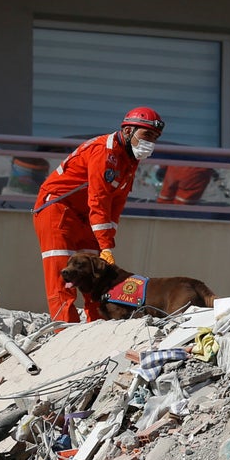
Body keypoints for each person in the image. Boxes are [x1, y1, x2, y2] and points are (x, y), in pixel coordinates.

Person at [32, 106, 165, 323]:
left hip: (86, 216)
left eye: (155, 138)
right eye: (147, 135)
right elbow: (99, 199)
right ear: (128, 130)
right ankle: (65, 334)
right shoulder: (105, 151)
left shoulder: (129, 160)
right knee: (63, 277)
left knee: (94, 277)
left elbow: (115, 206)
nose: (151, 142)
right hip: (57, 209)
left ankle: (96, 327)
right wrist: (105, 246)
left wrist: (106, 243)